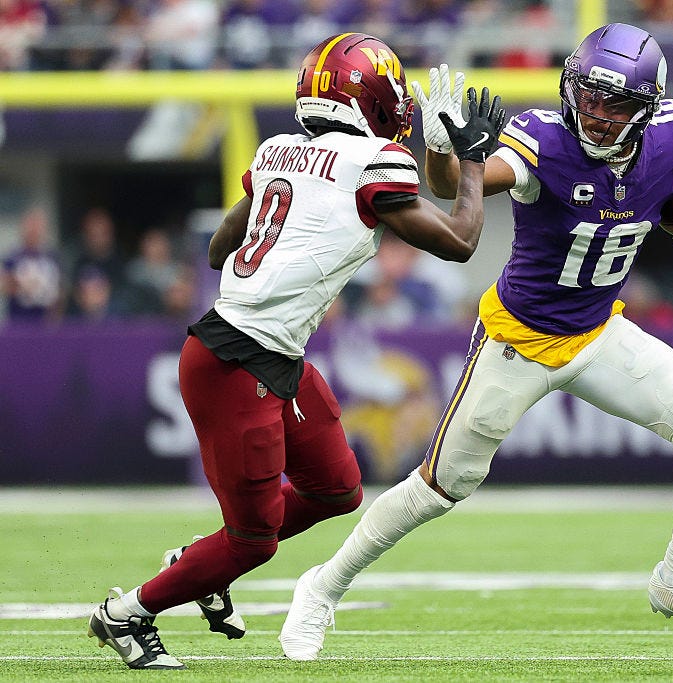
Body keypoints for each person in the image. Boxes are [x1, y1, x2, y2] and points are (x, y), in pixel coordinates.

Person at [280, 23, 673, 662]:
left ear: (646, 108)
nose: (597, 114)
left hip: (597, 331)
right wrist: (449, 150)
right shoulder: (544, 140)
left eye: (615, 104)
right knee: (445, 484)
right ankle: (322, 587)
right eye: (587, 95)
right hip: (518, 339)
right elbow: (453, 187)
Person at [86, 32, 505, 670]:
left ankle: (200, 564)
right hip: (237, 363)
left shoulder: (277, 150)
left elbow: (219, 245)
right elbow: (460, 241)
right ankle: (126, 615)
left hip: (258, 349)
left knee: (338, 489)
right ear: (368, 94)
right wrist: (470, 161)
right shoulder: (375, 161)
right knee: (253, 541)